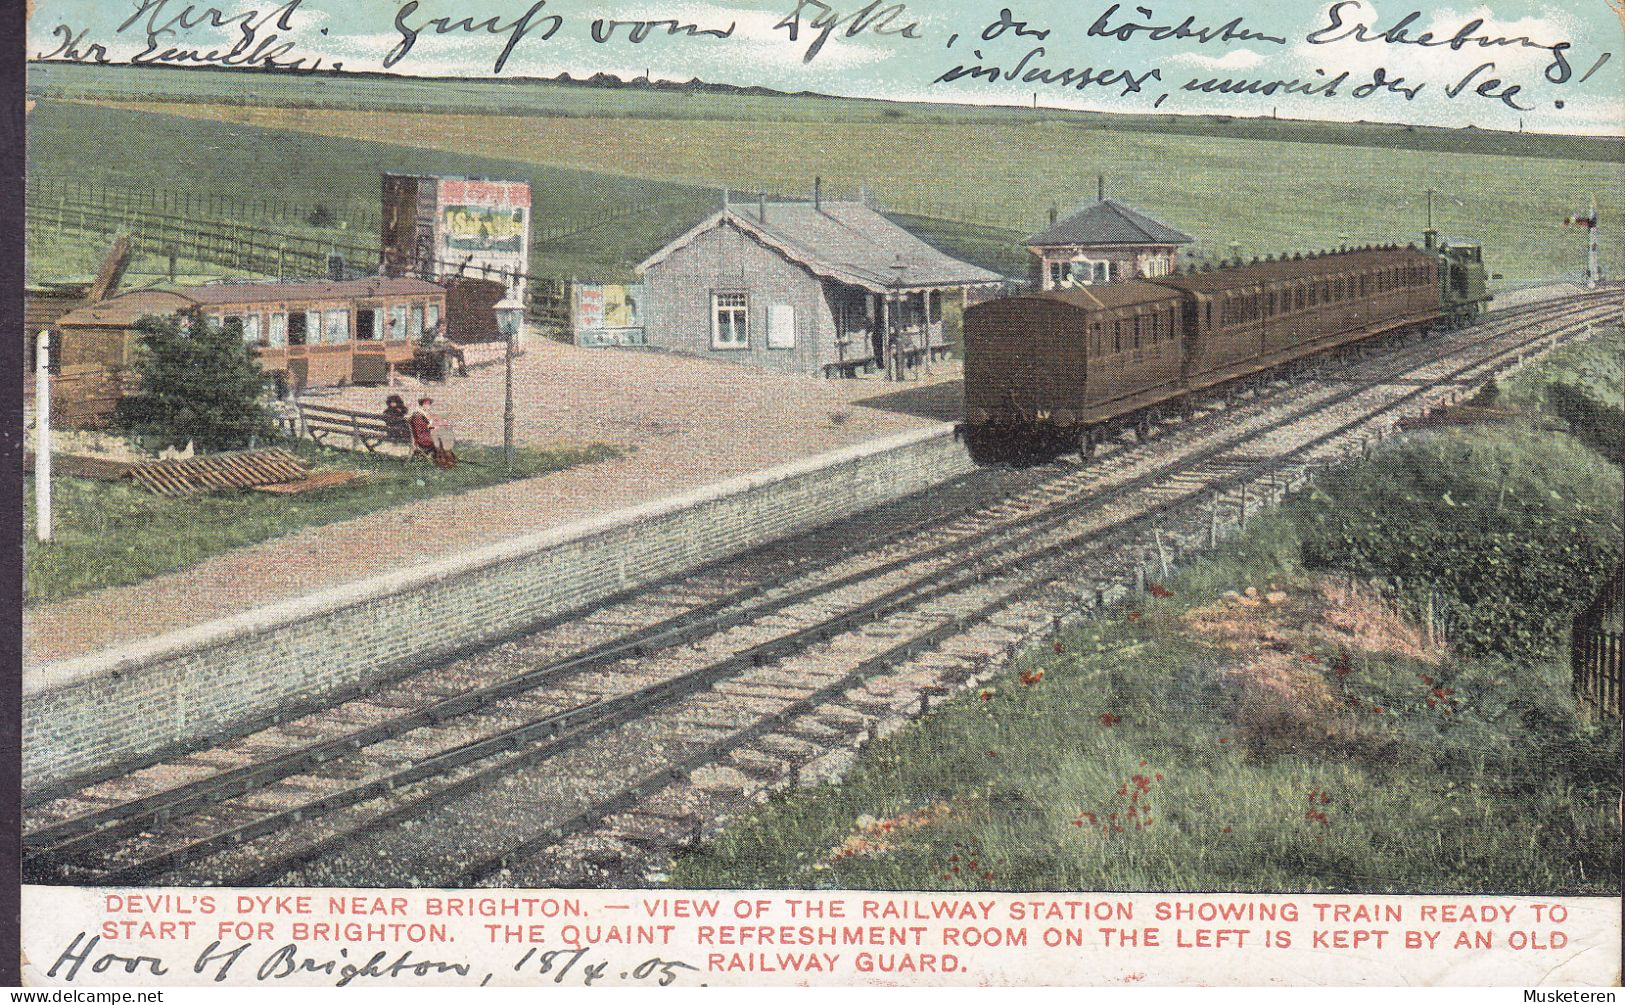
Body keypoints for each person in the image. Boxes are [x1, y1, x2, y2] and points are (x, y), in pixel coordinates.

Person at [409, 396, 457, 468]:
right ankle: (443, 463)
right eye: (426, 404)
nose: (428, 406)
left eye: (428, 404)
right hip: (422, 438)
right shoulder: (417, 415)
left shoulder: (424, 414)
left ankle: (449, 460)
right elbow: (419, 430)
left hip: (425, 435)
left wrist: (433, 427)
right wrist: (430, 428)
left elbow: (427, 426)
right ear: (421, 405)